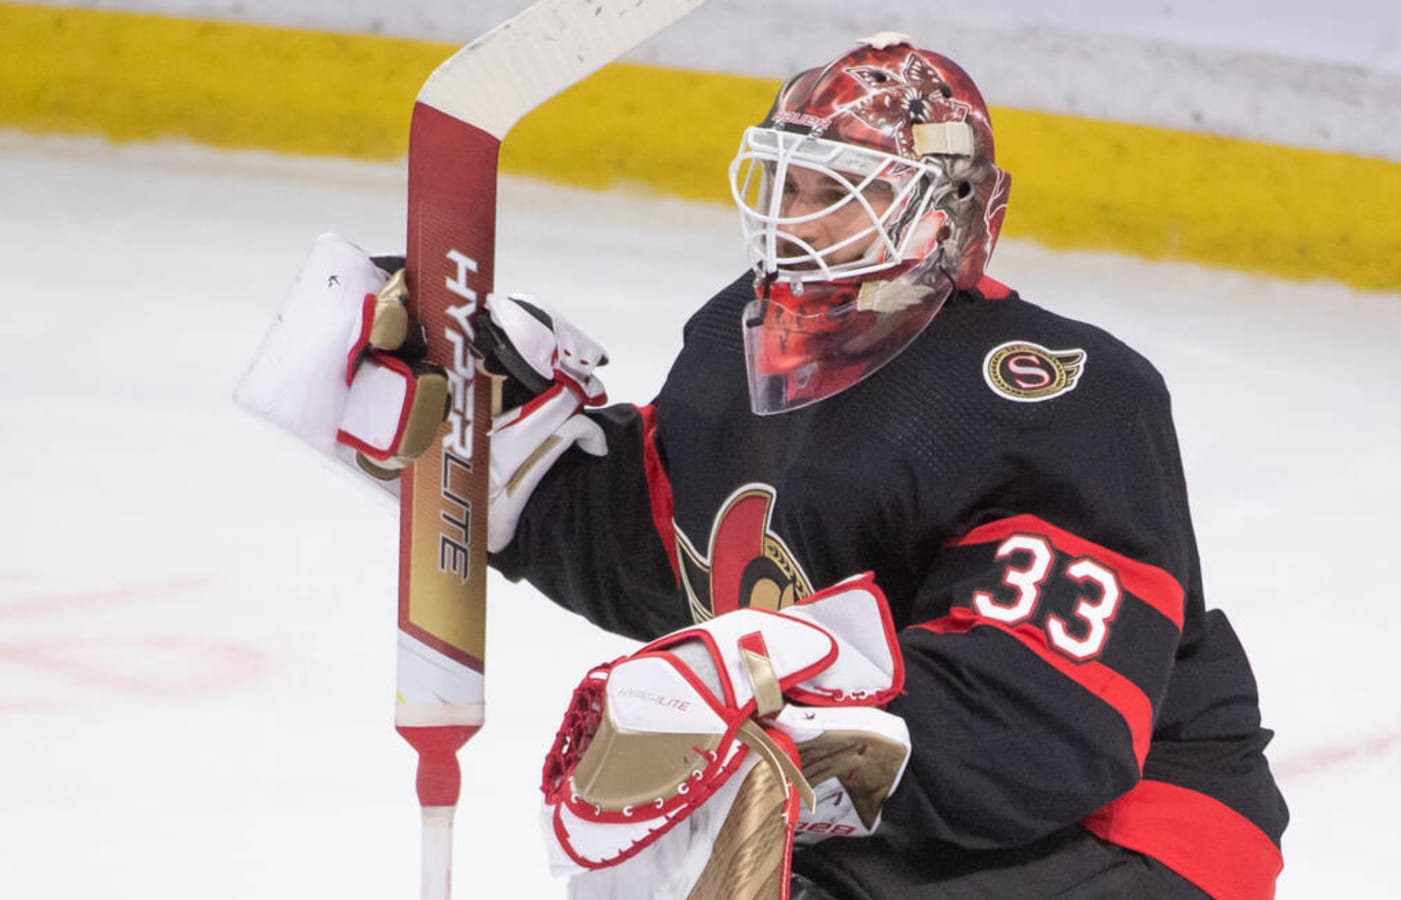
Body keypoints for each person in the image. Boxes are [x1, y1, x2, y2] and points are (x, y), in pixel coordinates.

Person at [240, 32, 1287, 900]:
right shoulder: (736, 350)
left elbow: (1045, 723)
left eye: (839, 191)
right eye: (787, 178)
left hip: (1129, 833)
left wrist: (795, 730)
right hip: (925, 827)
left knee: (700, 848)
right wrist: (507, 448)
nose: (792, 218)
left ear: (944, 218)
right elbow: (674, 550)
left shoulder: (1056, 394)